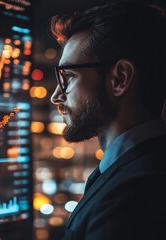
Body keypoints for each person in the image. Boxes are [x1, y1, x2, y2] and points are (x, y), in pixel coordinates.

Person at [50, 1, 166, 240]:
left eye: (69, 77)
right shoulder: (136, 170)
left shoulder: (135, 195)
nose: (56, 96)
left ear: (120, 78)